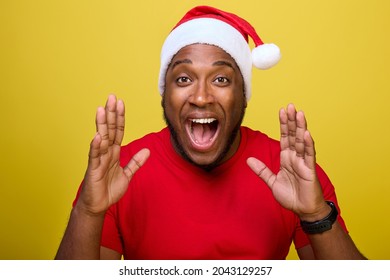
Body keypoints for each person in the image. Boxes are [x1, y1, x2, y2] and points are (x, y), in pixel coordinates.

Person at [55, 5, 365, 260]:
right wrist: (87, 211)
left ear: (243, 94)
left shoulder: (292, 169)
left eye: (220, 80)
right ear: (164, 94)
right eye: (183, 79)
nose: (201, 97)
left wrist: (315, 214)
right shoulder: (118, 172)